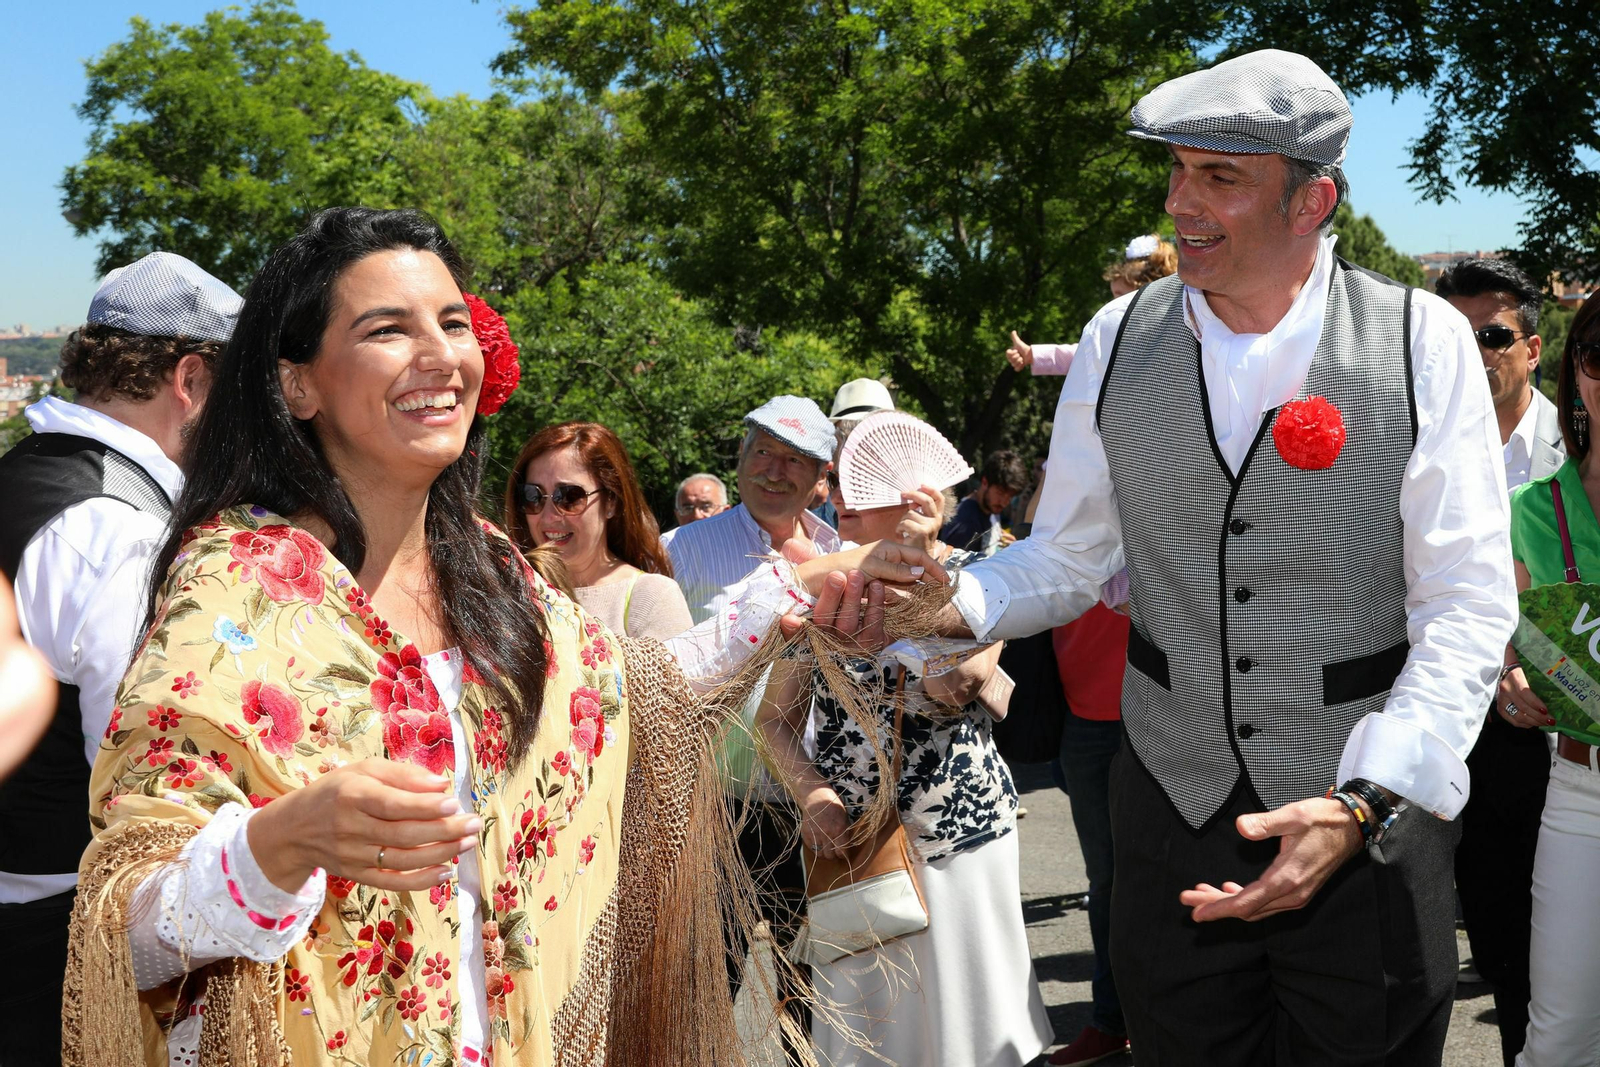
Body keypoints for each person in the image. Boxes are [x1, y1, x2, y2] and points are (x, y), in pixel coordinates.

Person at [58, 207, 939, 1067]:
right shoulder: (235, 588)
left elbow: (633, 692)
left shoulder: (493, 570)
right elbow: (127, 927)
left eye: (452, 323)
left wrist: (801, 585)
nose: (441, 354)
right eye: (388, 328)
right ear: (299, 384)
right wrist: (279, 843)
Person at [923, 49, 1515, 1064]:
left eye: (1219, 177)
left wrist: (1368, 799)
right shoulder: (1116, 337)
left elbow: (1464, 600)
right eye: (1176, 170)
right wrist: (946, 600)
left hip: (1361, 808)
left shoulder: (1420, 338)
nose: (1178, 203)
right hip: (1169, 808)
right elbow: (1070, 556)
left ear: (1311, 201)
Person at [0, 251, 237, 1064]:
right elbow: (142, 789)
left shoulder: (22, 477)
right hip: (45, 951)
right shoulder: (120, 534)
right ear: (190, 379)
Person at [758, 423, 1053, 1066]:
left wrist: (922, 591)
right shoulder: (820, 582)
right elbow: (775, 720)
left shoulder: (975, 577)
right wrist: (814, 798)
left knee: (970, 1027)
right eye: (839, 484)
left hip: (958, 837)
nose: (841, 499)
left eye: (860, 487)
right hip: (855, 843)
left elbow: (957, 687)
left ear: (916, 495)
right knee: (873, 1033)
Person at [664, 394, 840, 1059]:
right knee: (703, 989)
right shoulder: (680, 550)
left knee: (815, 993)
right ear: (740, 457)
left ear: (820, 478)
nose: (774, 470)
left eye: (794, 460)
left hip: (815, 805)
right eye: (763, 451)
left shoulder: (842, 553)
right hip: (711, 806)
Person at [1436, 256, 1561, 1067]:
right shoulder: (1421, 441)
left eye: (1493, 335)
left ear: (1533, 347)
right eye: (1456, 336)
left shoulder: (1578, 446)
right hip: (1463, 736)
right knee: (1500, 943)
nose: (1475, 352)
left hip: (1565, 736)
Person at [1499, 293, 1600, 1066]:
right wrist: (1507, 678)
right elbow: (1499, 639)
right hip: (1582, 794)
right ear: (1577, 373)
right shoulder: (1530, 510)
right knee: (1560, 1040)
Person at [505, 422, 692, 641]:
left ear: (611, 502)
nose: (548, 517)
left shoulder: (652, 598)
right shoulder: (509, 593)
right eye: (532, 496)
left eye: (569, 497)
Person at [1006, 235, 1179, 377]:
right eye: (1114, 296)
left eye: (1121, 297)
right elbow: (1088, 356)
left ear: (1149, 293)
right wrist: (1033, 355)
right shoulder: (1121, 332)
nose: (1113, 305)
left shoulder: (1175, 329)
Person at [939, 449, 1028, 555]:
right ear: (985, 482)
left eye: (1010, 496)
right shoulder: (966, 522)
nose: (1004, 502)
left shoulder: (990, 509)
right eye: (1000, 493)